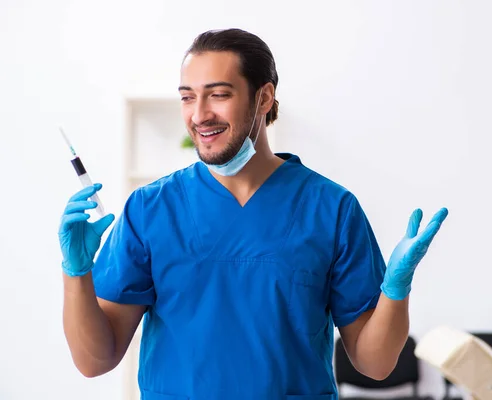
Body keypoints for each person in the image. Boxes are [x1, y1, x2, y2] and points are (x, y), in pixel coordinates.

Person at [58, 28, 448, 400]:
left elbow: (375, 363)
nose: (199, 114)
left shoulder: (331, 210)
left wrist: (395, 290)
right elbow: (95, 361)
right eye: (187, 97)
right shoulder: (150, 210)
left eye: (218, 95)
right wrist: (76, 273)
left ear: (264, 98)